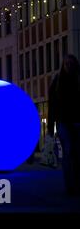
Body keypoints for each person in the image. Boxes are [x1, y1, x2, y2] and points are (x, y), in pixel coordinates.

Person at [48, 54, 80, 196]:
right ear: (63, 65)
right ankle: (70, 186)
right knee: (68, 153)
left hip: (77, 121)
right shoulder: (57, 82)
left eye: (71, 63)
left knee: (76, 153)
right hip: (63, 123)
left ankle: (75, 184)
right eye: (66, 64)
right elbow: (52, 106)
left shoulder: (78, 80)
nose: (69, 66)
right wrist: (50, 127)